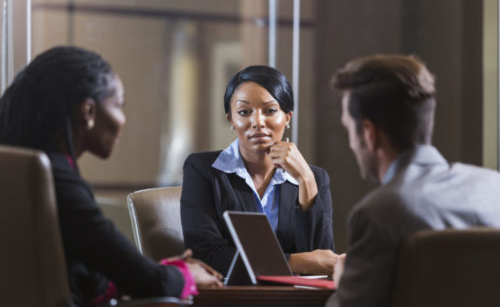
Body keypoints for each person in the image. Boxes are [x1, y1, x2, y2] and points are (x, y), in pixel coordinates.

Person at [0, 46, 222, 307]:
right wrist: (188, 275)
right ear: (88, 112)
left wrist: (158, 271)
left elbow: (93, 265)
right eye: (118, 104)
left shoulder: (19, 173)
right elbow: (153, 284)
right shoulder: (56, 183)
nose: (123, 119)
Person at [326, 54, 500, 307]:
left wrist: (345, 281)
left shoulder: (378, 214)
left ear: (368, 133)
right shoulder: (494, 187)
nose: (351, 144)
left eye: (348, 129)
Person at [181, 65, 342, 277]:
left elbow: (322, 261)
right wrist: (292, 262)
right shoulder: (202, 170)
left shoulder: (316, 178)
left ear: (287, 117)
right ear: (231, 120)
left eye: (270, 110)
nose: (257, 122)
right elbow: (207, 254)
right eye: (244, 112)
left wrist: (305, 179)